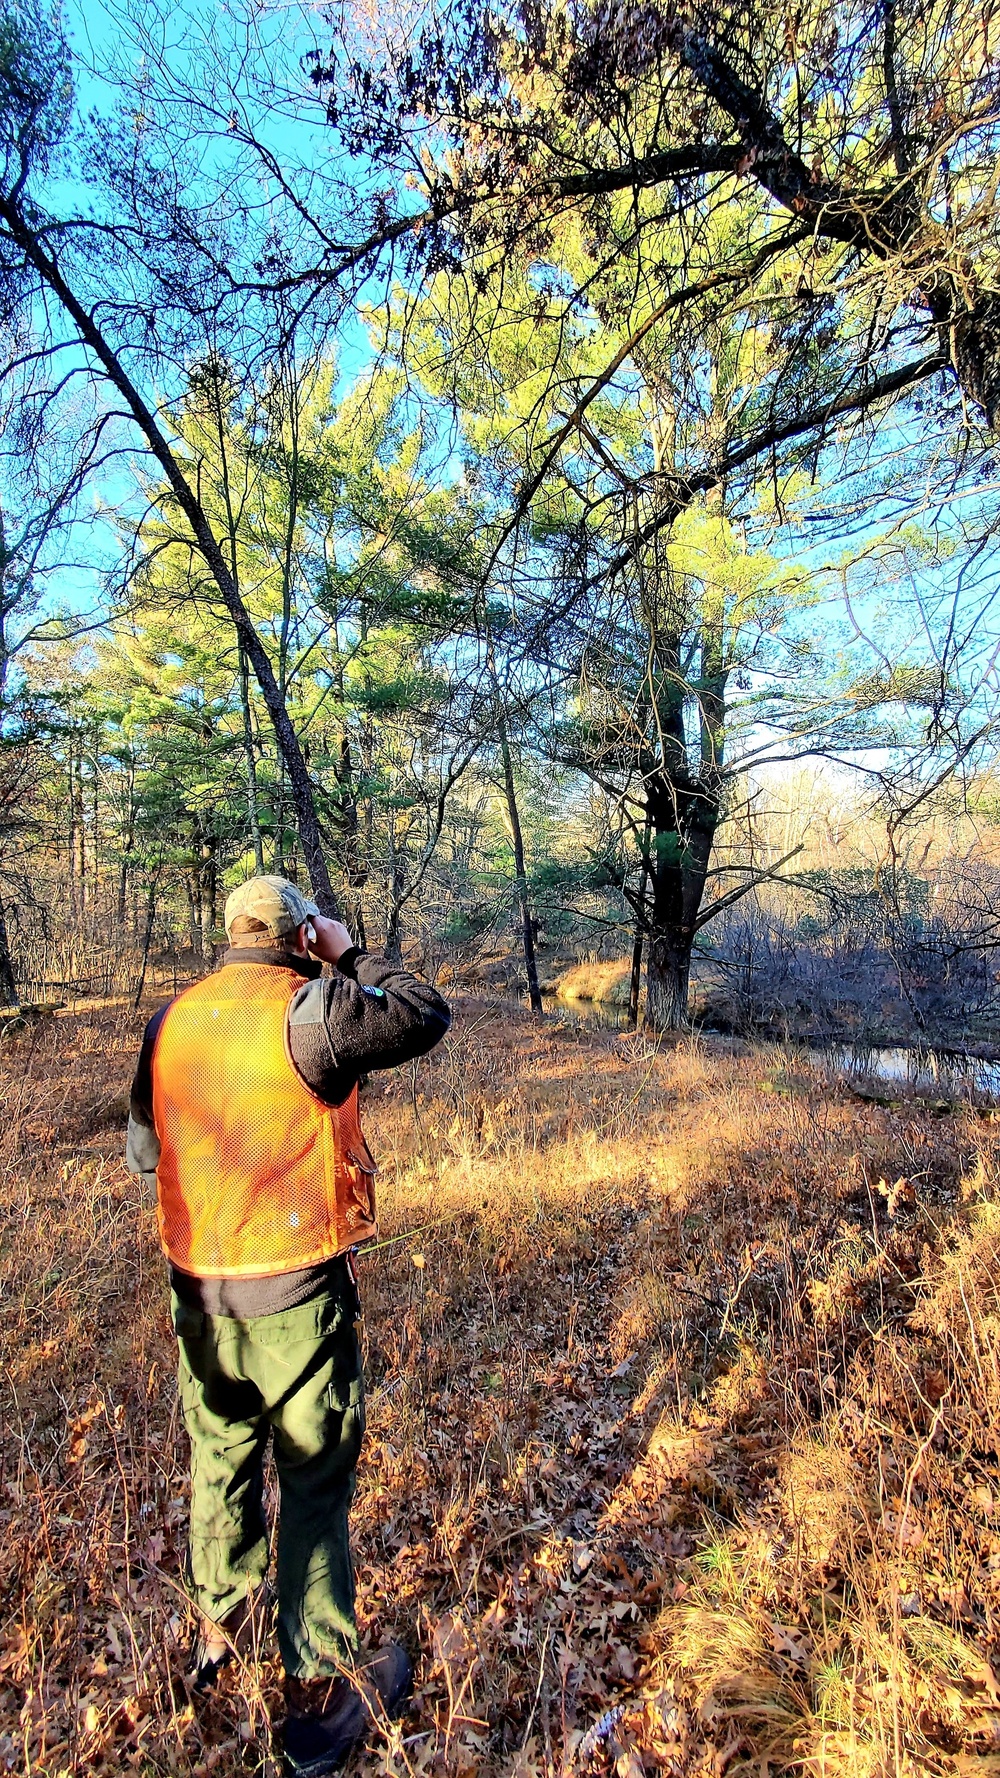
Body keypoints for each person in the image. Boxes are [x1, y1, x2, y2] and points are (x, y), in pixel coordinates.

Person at [126, 875, 451, 1776]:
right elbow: (424, 1012)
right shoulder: (315, 1011)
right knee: (311, 1478)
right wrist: (348, 952)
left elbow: (145, 1150)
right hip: (295, 1295)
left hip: (199, 1293)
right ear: (298, 935)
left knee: (221, 1453)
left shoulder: (171, 1023)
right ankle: (315, 1700)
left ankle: (218, 1634)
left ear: (230, 934)